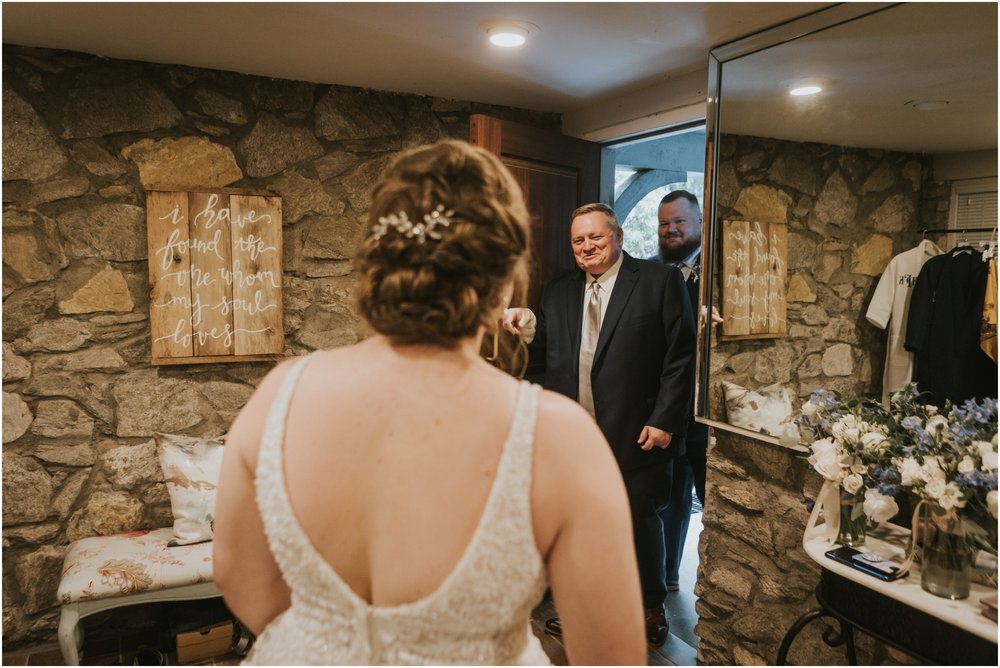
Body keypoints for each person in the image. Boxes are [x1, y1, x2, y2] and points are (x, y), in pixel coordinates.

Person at [212, 140, 647, 665]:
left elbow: (247, 587)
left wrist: (331, 640)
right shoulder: (557, 434)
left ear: (375, 262)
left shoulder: (281, 393)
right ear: (507, 277)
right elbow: (611, 656)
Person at [503, 203, 696, 646]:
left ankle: (648, 609)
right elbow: (549, 349)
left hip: (637, 432)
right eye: (578, 241)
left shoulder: (658, 281)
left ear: (618, 236)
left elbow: (680, 356)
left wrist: (665, 419)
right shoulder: (558, 291)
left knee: (637, 522)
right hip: (575, 438)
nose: (586, 247)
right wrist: (530, 326)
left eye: (595, 237)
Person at [650, 190, 714, 594]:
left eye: (680, 221)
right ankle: (667, 576)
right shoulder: (651, 274)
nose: (671, 229)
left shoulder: (718, 276)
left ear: (699, 223)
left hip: (706, 411)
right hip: (664, 407)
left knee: (710, 497)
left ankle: (713, 587)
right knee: (669, 498)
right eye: (664, 223)